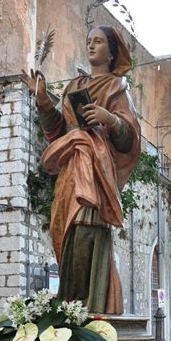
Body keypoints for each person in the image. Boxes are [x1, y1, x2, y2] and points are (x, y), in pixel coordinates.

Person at [22, 26, 140, 315]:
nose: (91, 46)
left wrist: (109, 118)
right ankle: (70, 305)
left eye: (98, 42)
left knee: (88, 227)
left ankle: (91, 305)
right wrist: (43, 101)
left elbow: (129, 140)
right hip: (73, 165)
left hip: (97, 168)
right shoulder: (75, 86)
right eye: (88, 41)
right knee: (66, 228)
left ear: (111, 52)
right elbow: (58, 131)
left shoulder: (116, 88)